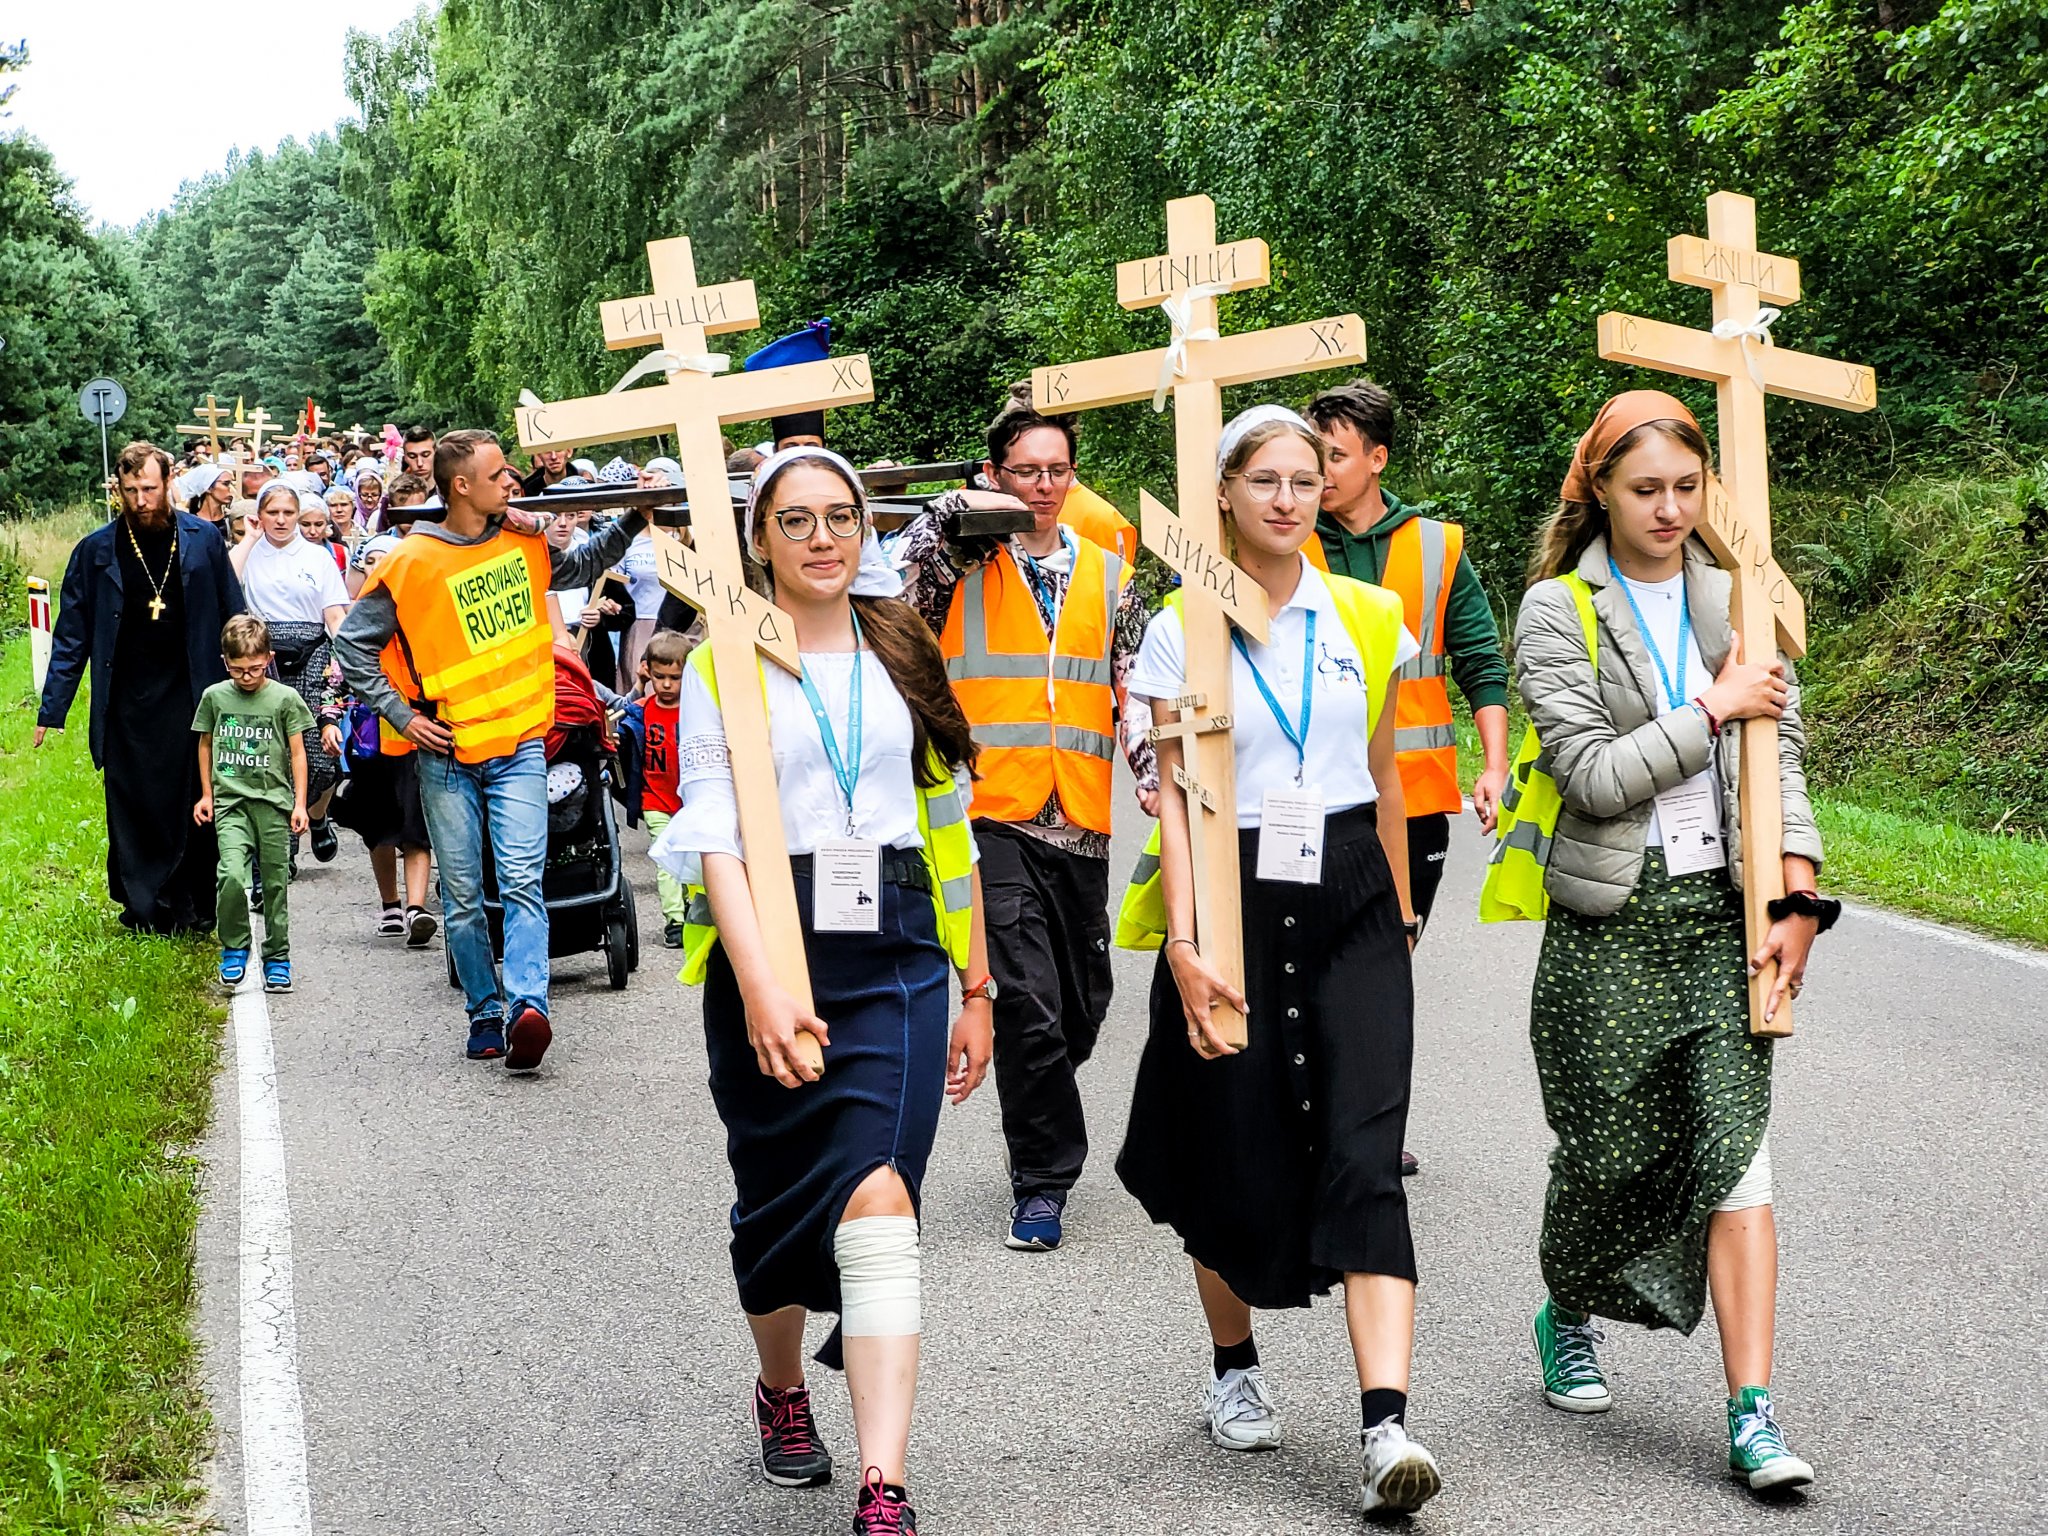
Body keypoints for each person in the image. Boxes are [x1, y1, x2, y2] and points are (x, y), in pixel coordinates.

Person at [648, 446, 991, 1535]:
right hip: (772, 945)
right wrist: (757, 986)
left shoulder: (901, 646)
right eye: (794, 522)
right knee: (775, 1212)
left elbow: (950, 829)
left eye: (838, 516)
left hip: (894, 957)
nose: (821, 538)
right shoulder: (722, 666)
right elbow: (715, 842)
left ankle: (882, 1480)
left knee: (882, 1196)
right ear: (758, 542)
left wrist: (975, 985)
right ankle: (783, 1388)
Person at [1116, 405, 1443, 1516]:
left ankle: (1384, 1426)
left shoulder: (1368, 615)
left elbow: (1387, 775)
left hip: (1350, 886)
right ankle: (1234, 1370)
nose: (1288, 499)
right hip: (1229, 892)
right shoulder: (1178, 628)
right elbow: (1175, 807)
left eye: (1306, 480)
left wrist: (1398, 914)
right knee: (1232, 1144)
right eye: (1264, 479)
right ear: (1222, 492)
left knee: (1364, 1146)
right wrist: (1187, 946)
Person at [1513, 389, 1831, 1493]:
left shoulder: (1734, 596)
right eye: (1644, 489)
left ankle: (1750, 1410)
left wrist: (1795, 897)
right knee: (1607, 1159)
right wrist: (1709, 708)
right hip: (1610, 924)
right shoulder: (1558, 611)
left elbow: (1779, 756)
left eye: (1686, 490)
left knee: (1737, 1163)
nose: (1667, 509)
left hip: (1721, 919)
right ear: (1596, 488)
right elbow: (1593, 778)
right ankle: (1566, 1302)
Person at [895, 404, 1149, 1254]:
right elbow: (899, 602)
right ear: (995, 474)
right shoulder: (958, 558)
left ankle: (1039, 1092)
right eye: (1026, 471)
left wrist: (1156, 784)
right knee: (1030, 1006)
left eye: (1057, 471)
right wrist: (953, 518)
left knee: (1082, 1010)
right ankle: (1041, 1184)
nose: (1044, 487)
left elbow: (1135, 689)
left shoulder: (1108, 574)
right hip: (987, 812)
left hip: (1078, 814)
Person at [334, 429, 653, 1071]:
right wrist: (401, 715)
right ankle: (484, 1009)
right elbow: (351, 645)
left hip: (522, 745)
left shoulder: (523, 540)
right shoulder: (411, 560)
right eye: (499, 474)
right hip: (447, 754)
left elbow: (583, 565)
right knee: (463, 896)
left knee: (523, 881)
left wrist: (635, 519)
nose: (511, 482)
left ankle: (528, 1008)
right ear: (461, 486)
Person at [1305, 380, 1512, 1180]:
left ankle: (1371, 1124)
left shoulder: (1435, 546)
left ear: (1376, 458)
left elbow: (1482, 666)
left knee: (1388, 955)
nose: (1318, 472)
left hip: (1417, 796)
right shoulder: (1288, 534)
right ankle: (1317, 1116)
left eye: (1333, 456)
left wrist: (1492, 768)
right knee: (1309, 948)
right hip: (1312, 790)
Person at [38, 441, 245, 933]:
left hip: (190, 690)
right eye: (129, 490)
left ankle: (194, 903)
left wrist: (252, 680)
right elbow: (72, 634)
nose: (140, 501)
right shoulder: (95, 551)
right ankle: (144, 904)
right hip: (128, 699)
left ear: (168, 482)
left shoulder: (203, 540)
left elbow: (232, 612)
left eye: (149, 488)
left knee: (194, 796)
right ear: (118, 489)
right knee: (133, 802)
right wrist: (52, 709)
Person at [232, 482, 351, 866]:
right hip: (264, 658)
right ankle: (283, 845)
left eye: (288, 513)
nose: (280, 520)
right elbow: (225, 581)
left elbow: (334, 615)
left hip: (313, 657)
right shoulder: (250, 553)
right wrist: (249, 540)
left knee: (319, 760)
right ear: (260, 515)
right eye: (272, 513)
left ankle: (316, 815)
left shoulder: (317, 558)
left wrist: (350, 658)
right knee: (273, 758)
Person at [193, 616, 313, 991]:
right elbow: (206, 744)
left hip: (274, 805)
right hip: (231, 803)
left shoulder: (284, 699)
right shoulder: (215, 697)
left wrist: (300, 804)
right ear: (225, 663)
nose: (247, 677)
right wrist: (207, 794)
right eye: (238, 670)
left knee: (275, 884)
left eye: (256, 669)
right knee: (229, 874)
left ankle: (277, 955)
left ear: (269, 659)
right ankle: (234, 946)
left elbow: (297, 754)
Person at [616, 629, 689, 947]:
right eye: (660, 677)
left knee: (692, 861)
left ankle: (692, 908)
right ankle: (674, 920)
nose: (668, 685)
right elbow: (617, 721)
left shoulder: (695, 709)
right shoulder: (641, 711)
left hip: (689, 800)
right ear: (648, 670)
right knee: (665, 862)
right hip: (655, 800)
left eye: (675, 677)